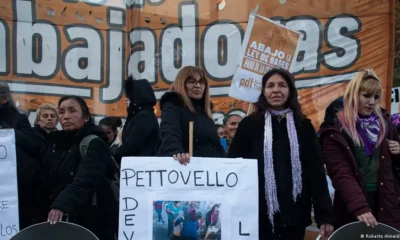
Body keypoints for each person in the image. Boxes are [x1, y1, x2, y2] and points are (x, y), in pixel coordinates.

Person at [228, 69, 334, 239]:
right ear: (263, 92)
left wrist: (325, 216)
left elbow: (316, 174)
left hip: (295, 216)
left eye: (282, 85)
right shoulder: (250, 125)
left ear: (290, 91)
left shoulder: (303, 126)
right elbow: (233, 166)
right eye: (270, 86)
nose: (276, 90)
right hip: (258, 216)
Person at [320, 69, 400, 230]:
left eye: (376, 97)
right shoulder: (335, 128)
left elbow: (394, 168)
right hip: (352, 206)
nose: (372, 101)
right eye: (366, 96)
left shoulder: (386, 123)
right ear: (353, 95)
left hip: (387, 202)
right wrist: (359, 207)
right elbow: (340, 172)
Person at [44, 96, 119, 240]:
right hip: (68, 220)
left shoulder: (95, 143)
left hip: (94, 220)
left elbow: (86, 178)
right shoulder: (56, 145)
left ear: (85, 117)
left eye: (72, 111)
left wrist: (61, 204)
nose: (66, 116)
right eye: (61, 112)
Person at [157, 66, 225, 164]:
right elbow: (170, 134)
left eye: (201, 82)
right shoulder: (173, 106)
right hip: (186, 168)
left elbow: (215, 144)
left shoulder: (205, 112)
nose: (198, 86)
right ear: (182, 84)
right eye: (192, 82)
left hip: (209, 170)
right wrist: (177, 153)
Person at [0, 82, 43, 229]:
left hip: (15, 186)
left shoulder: (19, 119)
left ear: (5, 99)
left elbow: (33, 146)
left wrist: (9, 132)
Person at [113, 77, 160, 165]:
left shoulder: (144, 117)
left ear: (139, 95)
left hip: (141, 168)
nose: (126, 99)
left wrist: (112, 156)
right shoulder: (138, 115)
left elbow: (131, 145)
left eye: (129, 95)